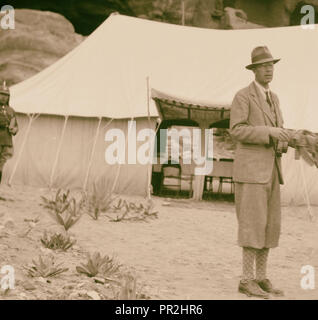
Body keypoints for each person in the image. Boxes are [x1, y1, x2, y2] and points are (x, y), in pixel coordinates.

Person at [230, 46, 292, 298]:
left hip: (272, 170)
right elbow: (237, 130)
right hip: (251, 172)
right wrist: (270, 133)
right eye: (264, 65)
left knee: (269, 226)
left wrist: (285, 138)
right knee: (252, 225)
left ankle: (261, 277)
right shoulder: (243, 96)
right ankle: (246, 280)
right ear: (254, 70)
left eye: (272, 65)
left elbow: (279, 129)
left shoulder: (274, 98)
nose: (269, 69)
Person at [0, 81, 18, 184]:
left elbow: (15, 126)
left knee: (1, 166)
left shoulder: (11, 111)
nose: (3, 98)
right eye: (2, 95)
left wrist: (14, 129)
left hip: (6, 141)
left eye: (6, 96)